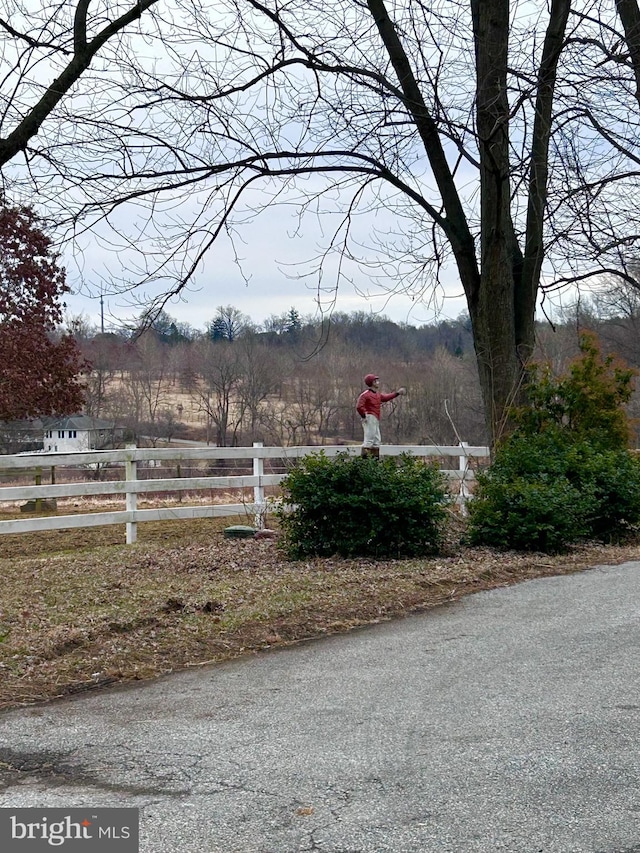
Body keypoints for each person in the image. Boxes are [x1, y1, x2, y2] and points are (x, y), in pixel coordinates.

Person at [356, 373, 406, 457]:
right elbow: (359, 406)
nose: (378, 382)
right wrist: (364, 416)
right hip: (370, 417)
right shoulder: (365, 395)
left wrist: (397, 393)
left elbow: (386, 397)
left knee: (376, 440)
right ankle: (364, 463)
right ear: (372, 382)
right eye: (376, 381)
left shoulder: (377, 394)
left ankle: (374, 461)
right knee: (369, 440)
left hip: (375, 418)